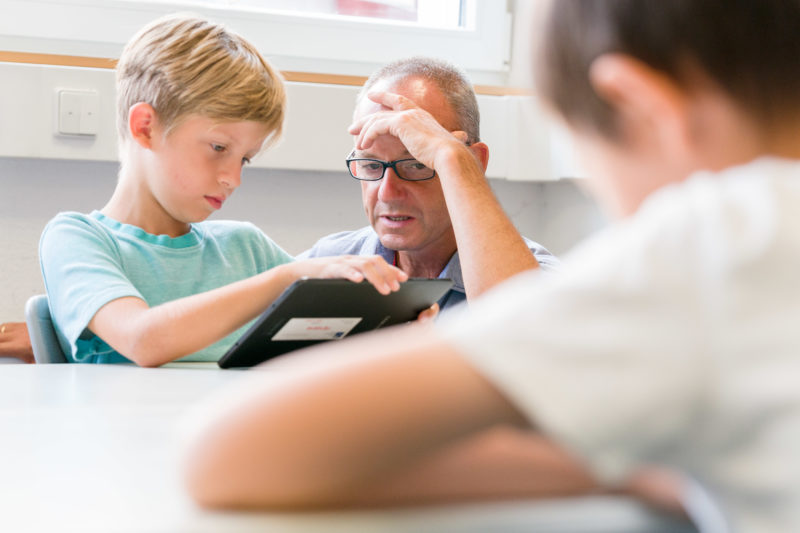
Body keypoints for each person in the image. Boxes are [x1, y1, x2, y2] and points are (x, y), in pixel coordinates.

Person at [182, 1, 800, 531]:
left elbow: (224, 451)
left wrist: (630, 466)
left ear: (640, 108)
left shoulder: (722, 240)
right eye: (372, 166)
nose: (390, 191)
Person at [37, 14, 406, 366]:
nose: (233, 178)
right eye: (218, 148)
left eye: (245, 159)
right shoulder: (76, 239)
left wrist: (387, 329)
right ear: (145, 127)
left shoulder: (246, 248)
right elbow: (142, 340)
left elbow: (318, 350)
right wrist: (288, 277)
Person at [300, 57, 558, 310]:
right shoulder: (328, 263)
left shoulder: (543, 283)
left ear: (474, 163)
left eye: (416, 165)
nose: (387, 193)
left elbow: (522, 331)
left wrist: (451, 157)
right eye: (371, 165)